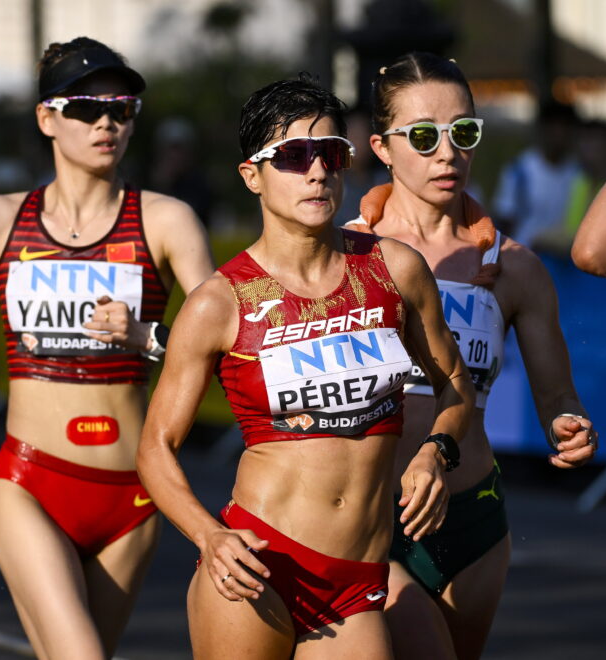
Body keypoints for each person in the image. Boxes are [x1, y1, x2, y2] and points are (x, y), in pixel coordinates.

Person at [136, 75, 475, 659]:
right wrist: (210, 536)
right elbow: (156, 447)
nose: (317, 171)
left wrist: (436, 452)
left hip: (356, 581)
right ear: (252, 176)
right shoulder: (219, 301)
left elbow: (456, 387)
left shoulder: (396, 269)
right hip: (257, 570)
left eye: (331, 152)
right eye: (293, 156)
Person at [0, 37, 214, 659]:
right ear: (47, 118)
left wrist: (144, 337)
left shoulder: (165, 220)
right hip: (30, 481)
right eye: (85, 108)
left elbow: (223, 333)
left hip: (133, 494)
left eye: (122, 108)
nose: (107, 122)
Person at [345, 52, 597, 659]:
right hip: (372, 516)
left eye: (464, 132)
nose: (447, 153)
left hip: (474, 519)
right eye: (425, 136)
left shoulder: (513, 267)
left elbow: (557, 395)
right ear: (382, 147)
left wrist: (568, 424)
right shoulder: (344, 254)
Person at [491, 100, 580, 253]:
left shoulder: (579, 172)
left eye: (566, 126)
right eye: (554, 126)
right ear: (543, 130)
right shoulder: (520, 170)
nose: (560, 133)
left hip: (567, 262)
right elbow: (505, 219)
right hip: (526, 257)